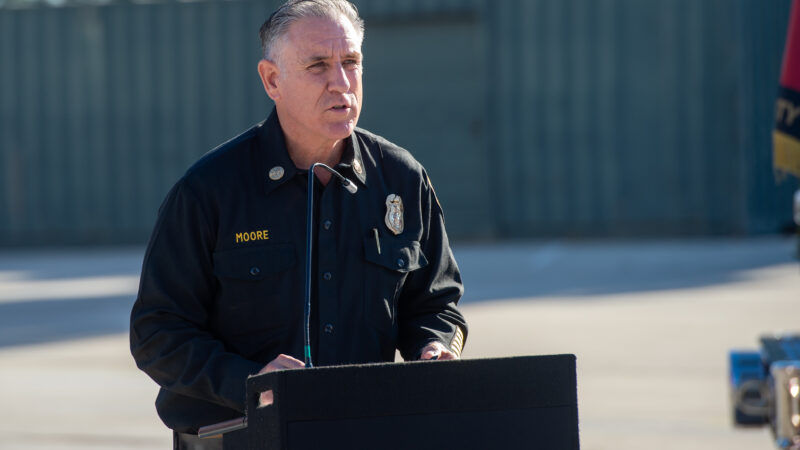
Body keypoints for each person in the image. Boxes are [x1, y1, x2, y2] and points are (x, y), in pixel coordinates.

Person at [129, 0, 468, 448]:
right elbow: (157, 331)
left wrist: (435, 345)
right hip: (238, 437)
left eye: (351, 62)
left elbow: (435, 304)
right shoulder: (209, 191)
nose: (342, 83)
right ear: (272, 80)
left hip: (364, 432)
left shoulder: (402, 180)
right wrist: (249, 382)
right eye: (318, 66)